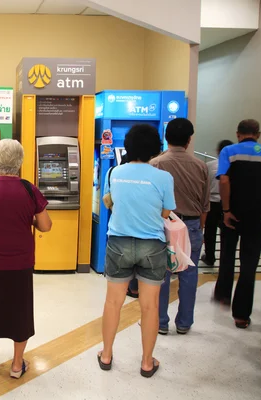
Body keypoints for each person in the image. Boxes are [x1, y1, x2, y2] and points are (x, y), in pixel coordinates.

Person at [0, 139, 51, 379]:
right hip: (21, 262)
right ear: (20, 163)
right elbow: (45, 225)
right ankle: (16, 365)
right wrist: (30, 220)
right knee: (20, 311)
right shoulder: (29, 189)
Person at [98, 124, 175, 378]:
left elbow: (109, 202)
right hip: (152, 245)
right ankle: (146, 362)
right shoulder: (164, 177)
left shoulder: (114, 172)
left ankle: (106, 355)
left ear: (128, 146)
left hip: (118, 242)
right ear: (156, 148)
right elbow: (166, 213)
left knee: (113, 302)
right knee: (150, 306)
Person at [214, 119, 261, 329]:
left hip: (234, 213)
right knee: (249, 264)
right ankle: (241, 315)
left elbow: (223, 180)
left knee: (228, 254)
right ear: (257, 134)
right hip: (258, 217)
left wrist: (226, 210)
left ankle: (223, 295)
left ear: (238, 134)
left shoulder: (229, 151)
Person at [150, 118, 209, 335]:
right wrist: (198, 229)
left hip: (164, 224)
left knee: (161, 273)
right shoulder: (201, 166)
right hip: (192, 225)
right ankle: (184, 323)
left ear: (166, 138)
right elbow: (205, 205)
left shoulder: (156, 164)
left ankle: (161, 322)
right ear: (189, 140)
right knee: (189, 274)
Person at [201, 140, 234, 266]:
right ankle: (226, 259)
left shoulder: (209, 165)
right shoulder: (234, 165)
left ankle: (210, 257)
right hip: (228, 202)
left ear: (218, 151)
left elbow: (203, 185)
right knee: (227, 231)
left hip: (211, 201)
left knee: (210, 230)